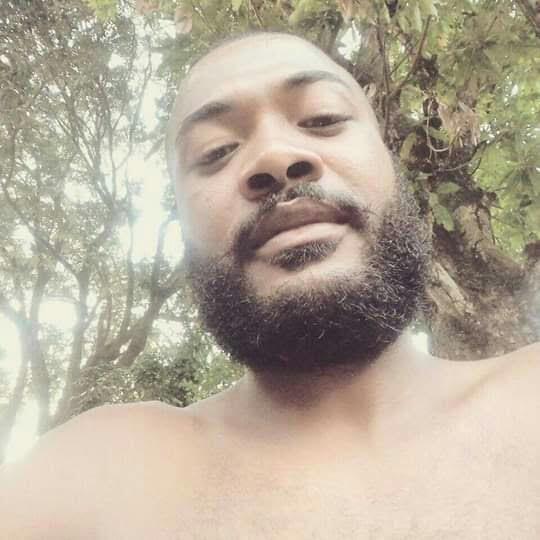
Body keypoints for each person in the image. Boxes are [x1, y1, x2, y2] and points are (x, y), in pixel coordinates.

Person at [1, 31, 539, 539]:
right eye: (215, 151)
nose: (276, 157)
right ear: (183, 227)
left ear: (391, 163)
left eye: (323, 118)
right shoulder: (88, 477)